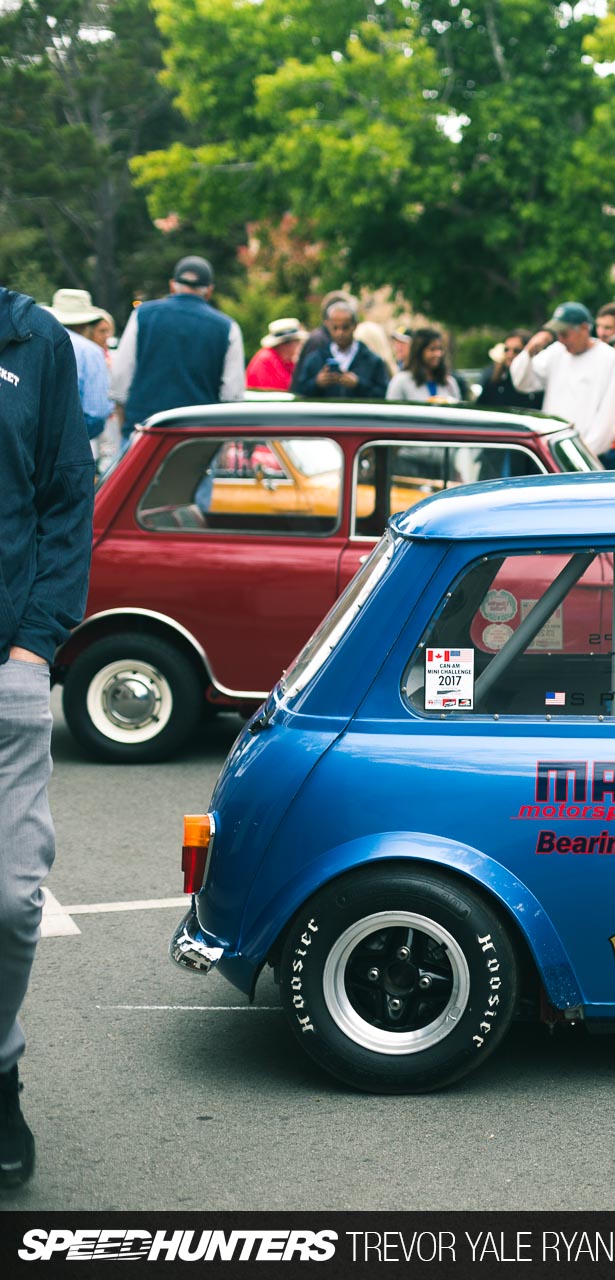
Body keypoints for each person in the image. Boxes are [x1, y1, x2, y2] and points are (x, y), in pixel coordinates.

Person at [0, 285, 95, 1187]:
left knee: (8, 901)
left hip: (7, 667)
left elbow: (68, 498)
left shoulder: (34, 340)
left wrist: (34, 647)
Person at [110, 255, 244, 437]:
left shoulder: (143, 315)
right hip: (198, 434)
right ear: (209, 290)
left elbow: (121, 374)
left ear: (173, 285)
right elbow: (232, 393)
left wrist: (124, 420)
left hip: (145, 428)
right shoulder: (227, 327)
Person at [511, 301, 615, 466]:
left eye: (565, 334)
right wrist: (529, 351)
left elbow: (610, 413)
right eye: (558, 334)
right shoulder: (556, 351)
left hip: (588, 455)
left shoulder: (608, 357)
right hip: (551, 452)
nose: (561, 339)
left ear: (584, 328)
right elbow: (523, 383)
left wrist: (584, 453)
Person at [292, 299, 392, 399]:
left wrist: (358, 384)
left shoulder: (372, 361)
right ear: (327, 325)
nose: (340, 333)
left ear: (355, 325)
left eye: (345, 327)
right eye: (335, 328)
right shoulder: (315, 359)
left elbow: (383, 394)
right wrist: (316, 383)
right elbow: (298, 392)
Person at [47, 289, 111, 441]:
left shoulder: (34, 342)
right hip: (66, 444)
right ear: (86, 323)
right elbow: (96, 413)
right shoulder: (90, 352)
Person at [386, 325, 465, 403]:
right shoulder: (401, 381)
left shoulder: (449, 383)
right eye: (432, 349)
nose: (438, 354)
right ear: (419, 351)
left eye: (439, 349)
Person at [477, 331, 540, 409]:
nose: (509, 354)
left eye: (516, 351)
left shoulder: (536, 382)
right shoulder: (494, 380)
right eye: (506, 350)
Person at [244, 317, 305, 392]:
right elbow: (287, 389)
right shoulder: (267, 359)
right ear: (286, 344)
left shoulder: (282, 359)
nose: (299, 345)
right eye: (297, 341)